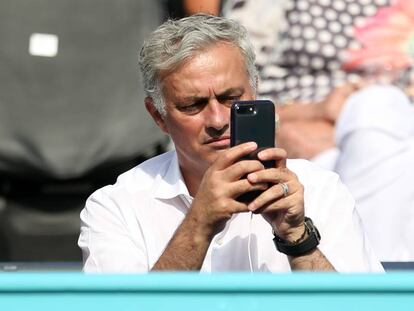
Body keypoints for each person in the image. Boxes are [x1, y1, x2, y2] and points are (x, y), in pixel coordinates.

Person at [78, 14, 383, 272]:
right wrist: (198, 224)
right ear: (158, 116)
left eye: (231, 99)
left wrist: (298, 240)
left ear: (256, 91)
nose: (217, 120)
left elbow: (366, 305)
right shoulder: (117, 207)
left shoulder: (321, 190)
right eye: (192, 105)